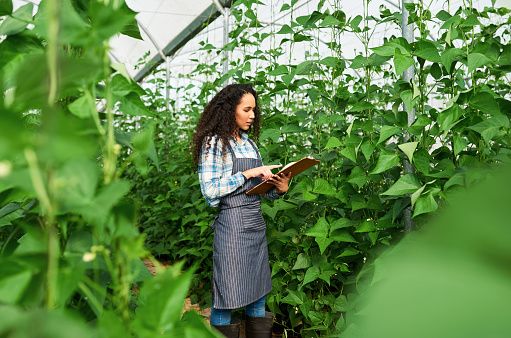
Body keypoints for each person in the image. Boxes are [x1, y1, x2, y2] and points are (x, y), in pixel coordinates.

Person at [192, 83, 292, 338]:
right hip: (232, 228)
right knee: (226, 299)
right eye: (247, 109)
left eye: (254, 110)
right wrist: (248, 172)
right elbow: (210, 191)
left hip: (255, 225)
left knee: (258, 297)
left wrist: (278, 187)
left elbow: (257, 189)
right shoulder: (215, 143)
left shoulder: (248, 144)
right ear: (229, 111)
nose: (252, 115)